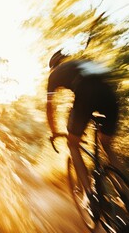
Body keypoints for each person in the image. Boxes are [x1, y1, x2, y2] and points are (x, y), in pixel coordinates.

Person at [46, 50, 120, 213]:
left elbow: (50, 108)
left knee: (72, 144)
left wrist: (54, 131)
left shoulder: (54, 74)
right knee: (106, 145)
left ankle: (90, 196)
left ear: (52, 66)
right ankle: (124, 191)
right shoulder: (81, 63)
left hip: (86, 95)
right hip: (109, 95)